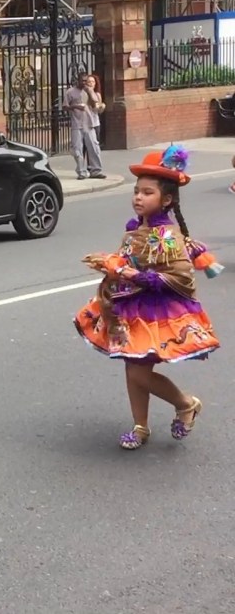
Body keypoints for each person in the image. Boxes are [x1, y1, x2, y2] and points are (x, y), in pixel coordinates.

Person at [74, 145, 222, 450]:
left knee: (139, 371)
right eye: (137, 191)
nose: (138, 197)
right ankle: (140, 426)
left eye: (147, 192)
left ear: (166, 199)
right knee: (133, 365)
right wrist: (112, 265)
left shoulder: (166, 235)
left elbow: (179, 276)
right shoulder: (137, 227)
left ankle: (185, 403)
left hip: (157, 310)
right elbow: (131, 259)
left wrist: (128, 274)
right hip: (130, 305)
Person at [63, 73, 106, 180]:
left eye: (86, 81)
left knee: (94, 147)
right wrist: (75, 106)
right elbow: (65, 107)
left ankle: (96, 170)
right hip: (77, 124)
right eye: (82, 81)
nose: (84, 83)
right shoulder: (70, 92)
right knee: (77, 149)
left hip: (89, 124)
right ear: (78, 80)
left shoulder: (90, 91)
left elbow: (95, 104)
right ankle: (81, 171)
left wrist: (90, 92)